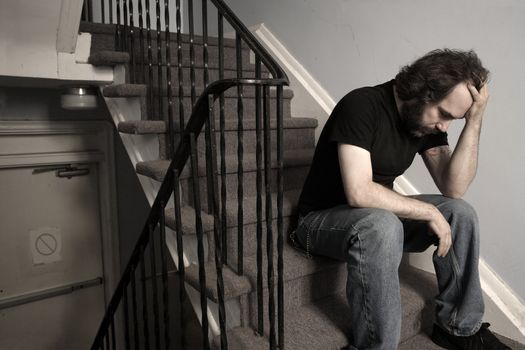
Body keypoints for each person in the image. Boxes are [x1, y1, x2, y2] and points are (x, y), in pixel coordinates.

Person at [293, 49, 510, 349]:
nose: (444, 127)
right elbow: (359, 191)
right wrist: (427, 213)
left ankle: (458, 327)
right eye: (444, 115)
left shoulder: (422, 121)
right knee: (382, 225)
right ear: (421, 91)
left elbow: (454, 188)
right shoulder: (361, 105)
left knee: (459, 212)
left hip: (373, 220)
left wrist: (474, 120)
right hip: (318, 222)